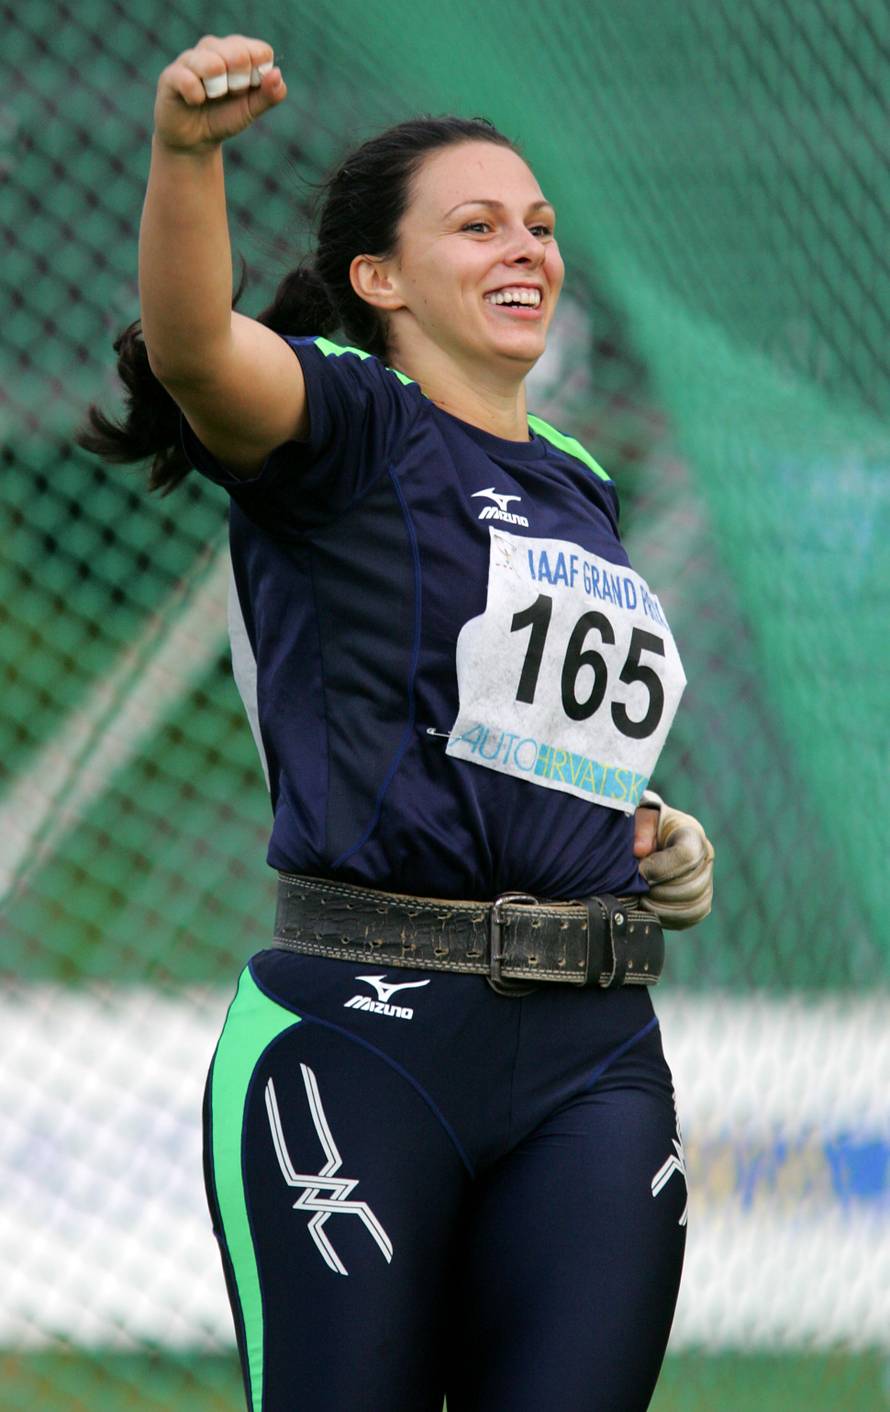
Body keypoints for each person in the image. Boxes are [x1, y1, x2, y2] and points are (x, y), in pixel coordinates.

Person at [80, 32, 715, 1412]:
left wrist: (646, 829)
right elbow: (192, 348)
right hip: (364, 1037)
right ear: (379, 279)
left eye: (540, 227)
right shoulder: (353, 420)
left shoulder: (581, 482)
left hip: (594, 1055)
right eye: (477, 223)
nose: (526, 249)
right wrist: (188, 157)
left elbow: (513, 733)